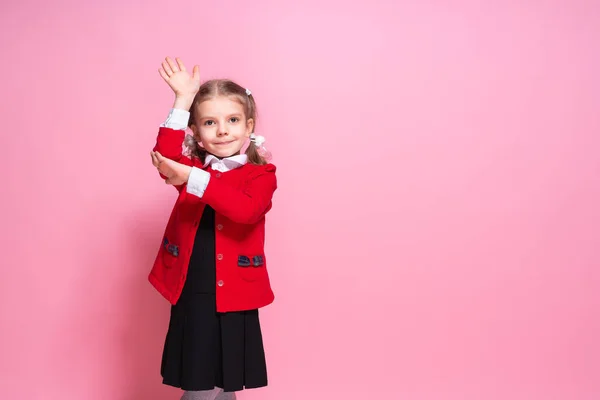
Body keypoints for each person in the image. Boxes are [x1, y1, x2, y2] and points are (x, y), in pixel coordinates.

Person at [148, 56, 278, 400]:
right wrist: (181, 100)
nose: (223, 130)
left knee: (225, 378)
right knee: (200, 380)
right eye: (210, 122)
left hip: (236, 293)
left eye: (233, 120)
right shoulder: (190, 169)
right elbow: (166, 156)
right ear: (197, 133)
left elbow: (246, 210)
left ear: (249, 127)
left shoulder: (260, 175)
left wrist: (192, 177)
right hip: (193, 289)